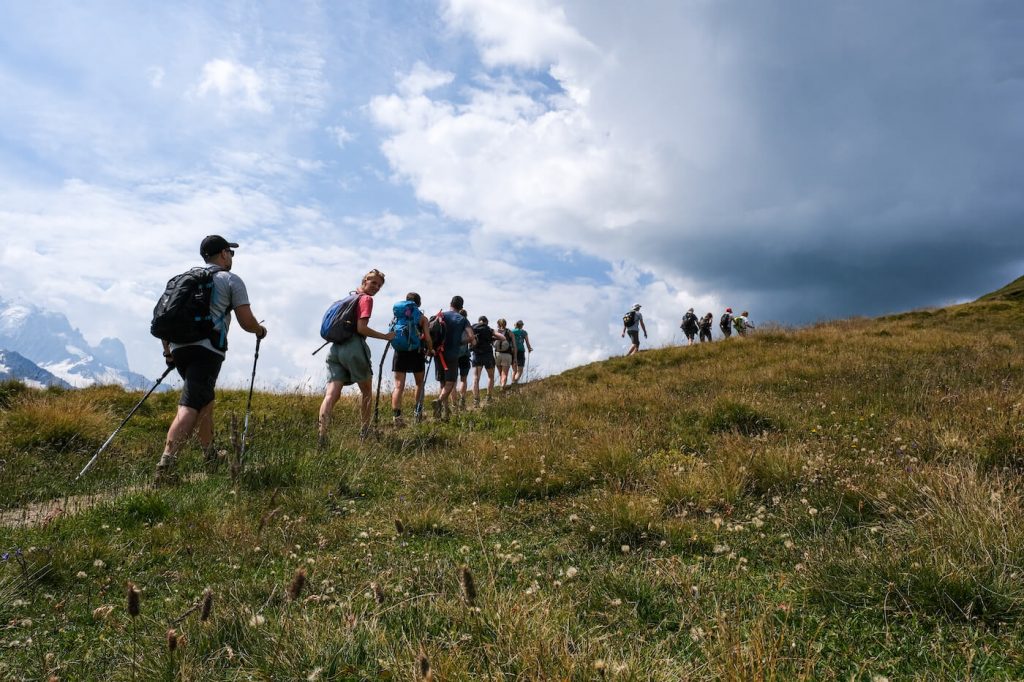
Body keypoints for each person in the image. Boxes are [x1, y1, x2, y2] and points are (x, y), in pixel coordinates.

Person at [155, 235, 267, 484]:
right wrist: (260, 330)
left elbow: (164, 320)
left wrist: (169, 353)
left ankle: (210, 455)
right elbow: (246, 321)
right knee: (190, 405)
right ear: (224, 254)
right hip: (207, 350)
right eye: (231, 253)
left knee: (205, 400)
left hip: (179, 349)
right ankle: (166, 465)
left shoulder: (182, 280)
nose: (232, 258)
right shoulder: (230, 280)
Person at [317, 269, 394, 444]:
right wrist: (384, 336)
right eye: (373, 282)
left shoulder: (347, 298)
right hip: (353, 346)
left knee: (331, 394)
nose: (376, 287)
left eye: (379, 285)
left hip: (335, 349)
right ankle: (364, 433)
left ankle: (322, 434)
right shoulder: (366, 299)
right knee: (366, 391)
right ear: (364, 280)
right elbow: (361, 328)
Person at [390, 292, 433, 426]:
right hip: (416, 353)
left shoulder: (398, 315)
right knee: (419, 383)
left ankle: (397, 418)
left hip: (399, 352)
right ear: (419, 303)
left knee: (398, 386)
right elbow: (427, 338)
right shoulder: (422, 318)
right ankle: (417, 413)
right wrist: (430, 349)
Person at [433, 297, 474, 420]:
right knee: (450, 382)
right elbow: (471, 337)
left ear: (450, 304)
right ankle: (439, 402)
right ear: (461, 307)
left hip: (438, 353)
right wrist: (460, 342)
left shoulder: (440, 315)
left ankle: (445, 412)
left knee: (442, 382)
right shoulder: (462, 319)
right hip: (452, 354)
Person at [470, 315, 496, 406]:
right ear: (486, 322)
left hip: (477, 355)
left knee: (476, 378)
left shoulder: (473, 327)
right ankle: (488, 398)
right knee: (491, 377)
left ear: (479, 321)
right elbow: (502, 338)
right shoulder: (489, 329)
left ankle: (476, 401)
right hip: (488, 355)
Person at [494, 318, 517, 390]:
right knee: (504, 374)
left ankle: (502, 386)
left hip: (497, 355)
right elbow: (514, 346)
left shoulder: (495, 332)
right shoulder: (509, 332)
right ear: (505, 324)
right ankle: (502, 386)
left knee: (501, 373)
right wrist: (515, 358)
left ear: (498, 324)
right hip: (507, 355)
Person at [456, 307, 472, 411]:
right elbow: (472, 340)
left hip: (452, 354)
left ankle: (453, 403)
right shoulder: (467, 324)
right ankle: (462, 399)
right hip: (464, 355)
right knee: (463, 379)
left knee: (451, 380)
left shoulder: (454, 323)